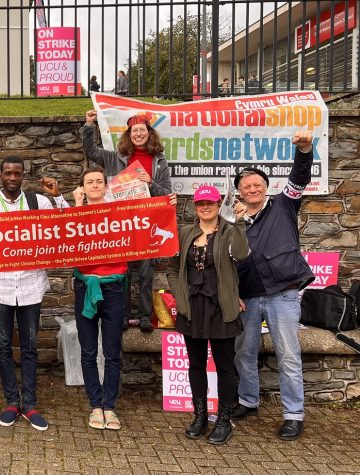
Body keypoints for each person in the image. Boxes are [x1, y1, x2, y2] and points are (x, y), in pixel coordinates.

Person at [232, 129, 315, 442]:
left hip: (283, 293)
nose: (252, 189)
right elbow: (230, 260)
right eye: (246, 186)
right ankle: (248, 401)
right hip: (250, 296)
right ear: (239, 192)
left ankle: (294, 415)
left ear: (265, 188)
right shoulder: (234, 220)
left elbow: (300, 176)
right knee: (244, 353)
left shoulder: (284, 204)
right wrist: (236, 295)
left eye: (257, 184)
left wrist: (304, 149)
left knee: (289, 356)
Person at [0, 157, 67, 431]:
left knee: (29, 347)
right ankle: (11, 402)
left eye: (17, 173)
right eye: (8, 173)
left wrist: (58, 197)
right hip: (0, 286)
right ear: (0, 176)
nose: (13, 177)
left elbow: (65, 224)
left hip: (30, 285)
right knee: (4, 347)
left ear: (23, 176)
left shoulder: (37, 202)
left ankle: (29, 404)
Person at [166, 185, 249, 445]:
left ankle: (223, 419)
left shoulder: (227, 231)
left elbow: (243, 253)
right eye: (200, 203)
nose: (205, 207)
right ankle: (200, 415)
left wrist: (240, 222)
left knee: (225, 366)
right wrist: (179, 295)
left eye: (210, 203)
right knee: (196, 364)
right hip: (193, 309)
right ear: (195, 206)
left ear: (217, 205)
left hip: (221, 308)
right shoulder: (185, 232)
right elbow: (171, 266)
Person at [82, 110, 172, 332]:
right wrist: (88, 125)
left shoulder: (160, 161)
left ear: (150, 134)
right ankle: (122, 315)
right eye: (134, 131)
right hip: (120, 225)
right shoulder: (114, 157)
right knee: (122, 271)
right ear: (128, 135)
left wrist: (150, 182)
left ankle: (144, 315)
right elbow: (91, 151)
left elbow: (166, 193)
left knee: (146, 272)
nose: (138, 134)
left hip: (146, 224)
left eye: (142, 130)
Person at [70, 167, 127, 431]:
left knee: (112, 351)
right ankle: (95, 404)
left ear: (106, 185)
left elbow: (148, 217)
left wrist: (166, 204)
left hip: (115, 288)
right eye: (89, 182)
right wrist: (77, 205)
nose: (94, 185)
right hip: (85, 287)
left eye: (98, 181)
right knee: (89, 350)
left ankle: (109, 406)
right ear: (82, 187)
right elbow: (67, 239)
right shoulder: (76, 211)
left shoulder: (120, 211)